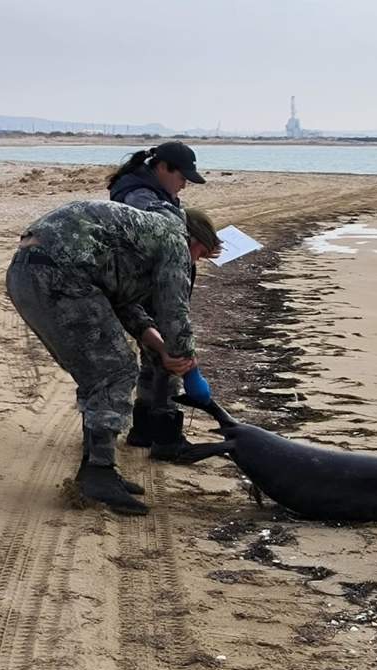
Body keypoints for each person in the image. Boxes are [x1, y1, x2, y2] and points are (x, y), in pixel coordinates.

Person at [5, 200, 217, 515]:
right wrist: (185, 356)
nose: (194, 263)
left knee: (95, 374)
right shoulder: (175, 239)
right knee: (115, 371)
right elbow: (175, 310)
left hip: (26, 273)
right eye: (200, 256)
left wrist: (158, 346)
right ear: (196, 242)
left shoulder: (142, 236)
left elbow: (120, 301)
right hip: (59, 274)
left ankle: (96, 469)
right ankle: (99, 475)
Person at [106, 142, 219, 461]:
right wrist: (185, 354)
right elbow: (160, 243)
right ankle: (166, 439)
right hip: (138, 284)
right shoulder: (140, 197)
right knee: (167, 360)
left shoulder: (152, 192)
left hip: (138, 282)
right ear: (163, 168)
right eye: (182, 177)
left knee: (154, 361)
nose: (185, 184)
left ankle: (143, 430)